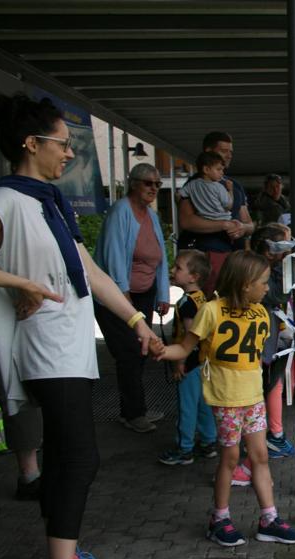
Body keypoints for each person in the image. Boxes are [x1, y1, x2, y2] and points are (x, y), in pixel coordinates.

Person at [0, 92, 163, 559]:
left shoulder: (49, 202)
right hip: (44, 348)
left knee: (74, 458)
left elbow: (91, 274)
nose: (69, 153)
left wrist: (137, 320)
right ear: (31, 143)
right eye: (62, 143)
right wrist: (16, 283)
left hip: (71, 348)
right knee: (78, 459)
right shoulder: (5, 201)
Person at [156, 250, 295, 547]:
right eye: (262, 282)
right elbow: (185, 348)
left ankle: (268, 518)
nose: (267, 287)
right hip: (226, 400)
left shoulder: (261, 312)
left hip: (253, 398)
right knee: (231, 458)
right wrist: (161, 351)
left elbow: (258, 356)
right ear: (244, 284)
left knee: (260, 457)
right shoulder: (212, 310)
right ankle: (220, 518)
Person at [93, 162, 172, 433]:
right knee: (128, 352)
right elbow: (114, 258)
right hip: (117, 296)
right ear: (133, 183)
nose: (154, 188)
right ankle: (133, 412)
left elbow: (161, 257)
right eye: (148, 183)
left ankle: (136, 408)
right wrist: (123, 299)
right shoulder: (120, 212)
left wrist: (162, 294)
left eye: (158, 184)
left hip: (144, 293)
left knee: (140, 351)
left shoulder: (151, 216)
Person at [157, 250, 218, 465]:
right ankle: (209, 442)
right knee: (204, 404)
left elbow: (191, 337)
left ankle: (184, 448)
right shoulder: (204, 299)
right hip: (205, 363)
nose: (173, 271)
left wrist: (179, 363)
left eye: (178, 268)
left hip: (191, 363)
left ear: (193, 277)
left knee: (187, 406)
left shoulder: (185, 303)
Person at [177, 131, 254, 296]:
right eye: (223, 151)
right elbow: (186, 221)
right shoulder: (195, 184)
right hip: (206, 254)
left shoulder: (234, 185)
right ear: (208, 152)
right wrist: (224, 224)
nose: (228, 156)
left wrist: (242, 228)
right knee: (208, 307)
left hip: (234, 258)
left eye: (231, 152)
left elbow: (249, 223)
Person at [251, 224, 295, 459]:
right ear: (269, 250)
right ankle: (257, 444)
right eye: (284, 245)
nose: (290, 250)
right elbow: (278, 294)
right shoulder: (259, 272)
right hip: (260, 338)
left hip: (275, 336)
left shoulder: (272, 268)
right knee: (259, 386)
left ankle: (274, 435)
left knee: (274, 383)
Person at [180, 151, 233, 222]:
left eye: (222, 170)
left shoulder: (192, 184)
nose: (222, 172)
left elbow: (178, 195)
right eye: (219, 169)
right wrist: (230, 190)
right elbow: (228, 206)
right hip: (222, 220)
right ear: (206, 169)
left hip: (203, 221)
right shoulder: (219, 187)